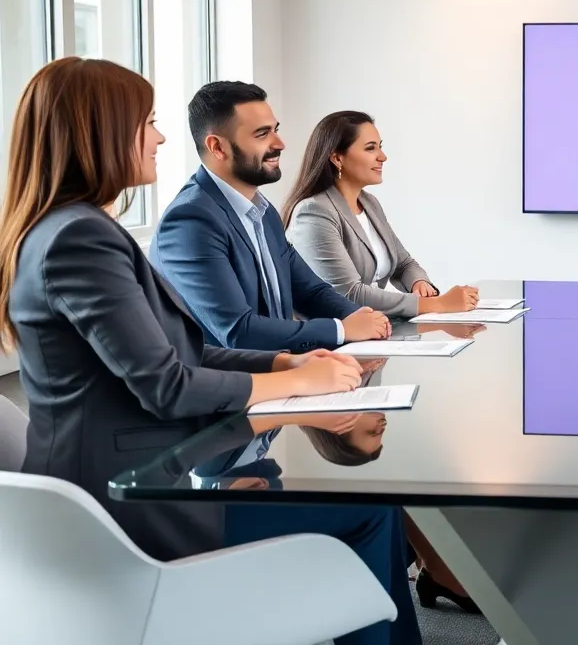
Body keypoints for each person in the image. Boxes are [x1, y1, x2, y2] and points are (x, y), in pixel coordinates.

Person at [0, 57, 422, 645]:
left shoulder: (75, 228)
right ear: (100, 131)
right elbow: (167, 384)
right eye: (147, 121)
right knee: (371, 514)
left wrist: (289, 363)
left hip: (137, 482)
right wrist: (297, 387)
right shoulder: (80, 238)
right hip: (124, 510)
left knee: (367, 510)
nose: (162, 137)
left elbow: (189, 349)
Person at [151, 81, 391, 353]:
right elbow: (239, 331)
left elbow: (309, 290)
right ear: (217, 147)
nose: (280, 143)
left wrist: (361, 317)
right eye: (262, 134)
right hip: (236, 386)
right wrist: (342, 329)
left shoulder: (262, 212)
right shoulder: (190, 221)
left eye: (275, 130)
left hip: (281, 371)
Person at [282, 110, 479, 318]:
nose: (382, 157)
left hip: (374, 330)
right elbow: (349, 294)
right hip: (332, 342)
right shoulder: (314, 213)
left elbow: (404, 264)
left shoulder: (369, 203)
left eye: (380, 146)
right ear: (337, 158)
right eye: (370, 148)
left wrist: (419, 283)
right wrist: (436, 304)